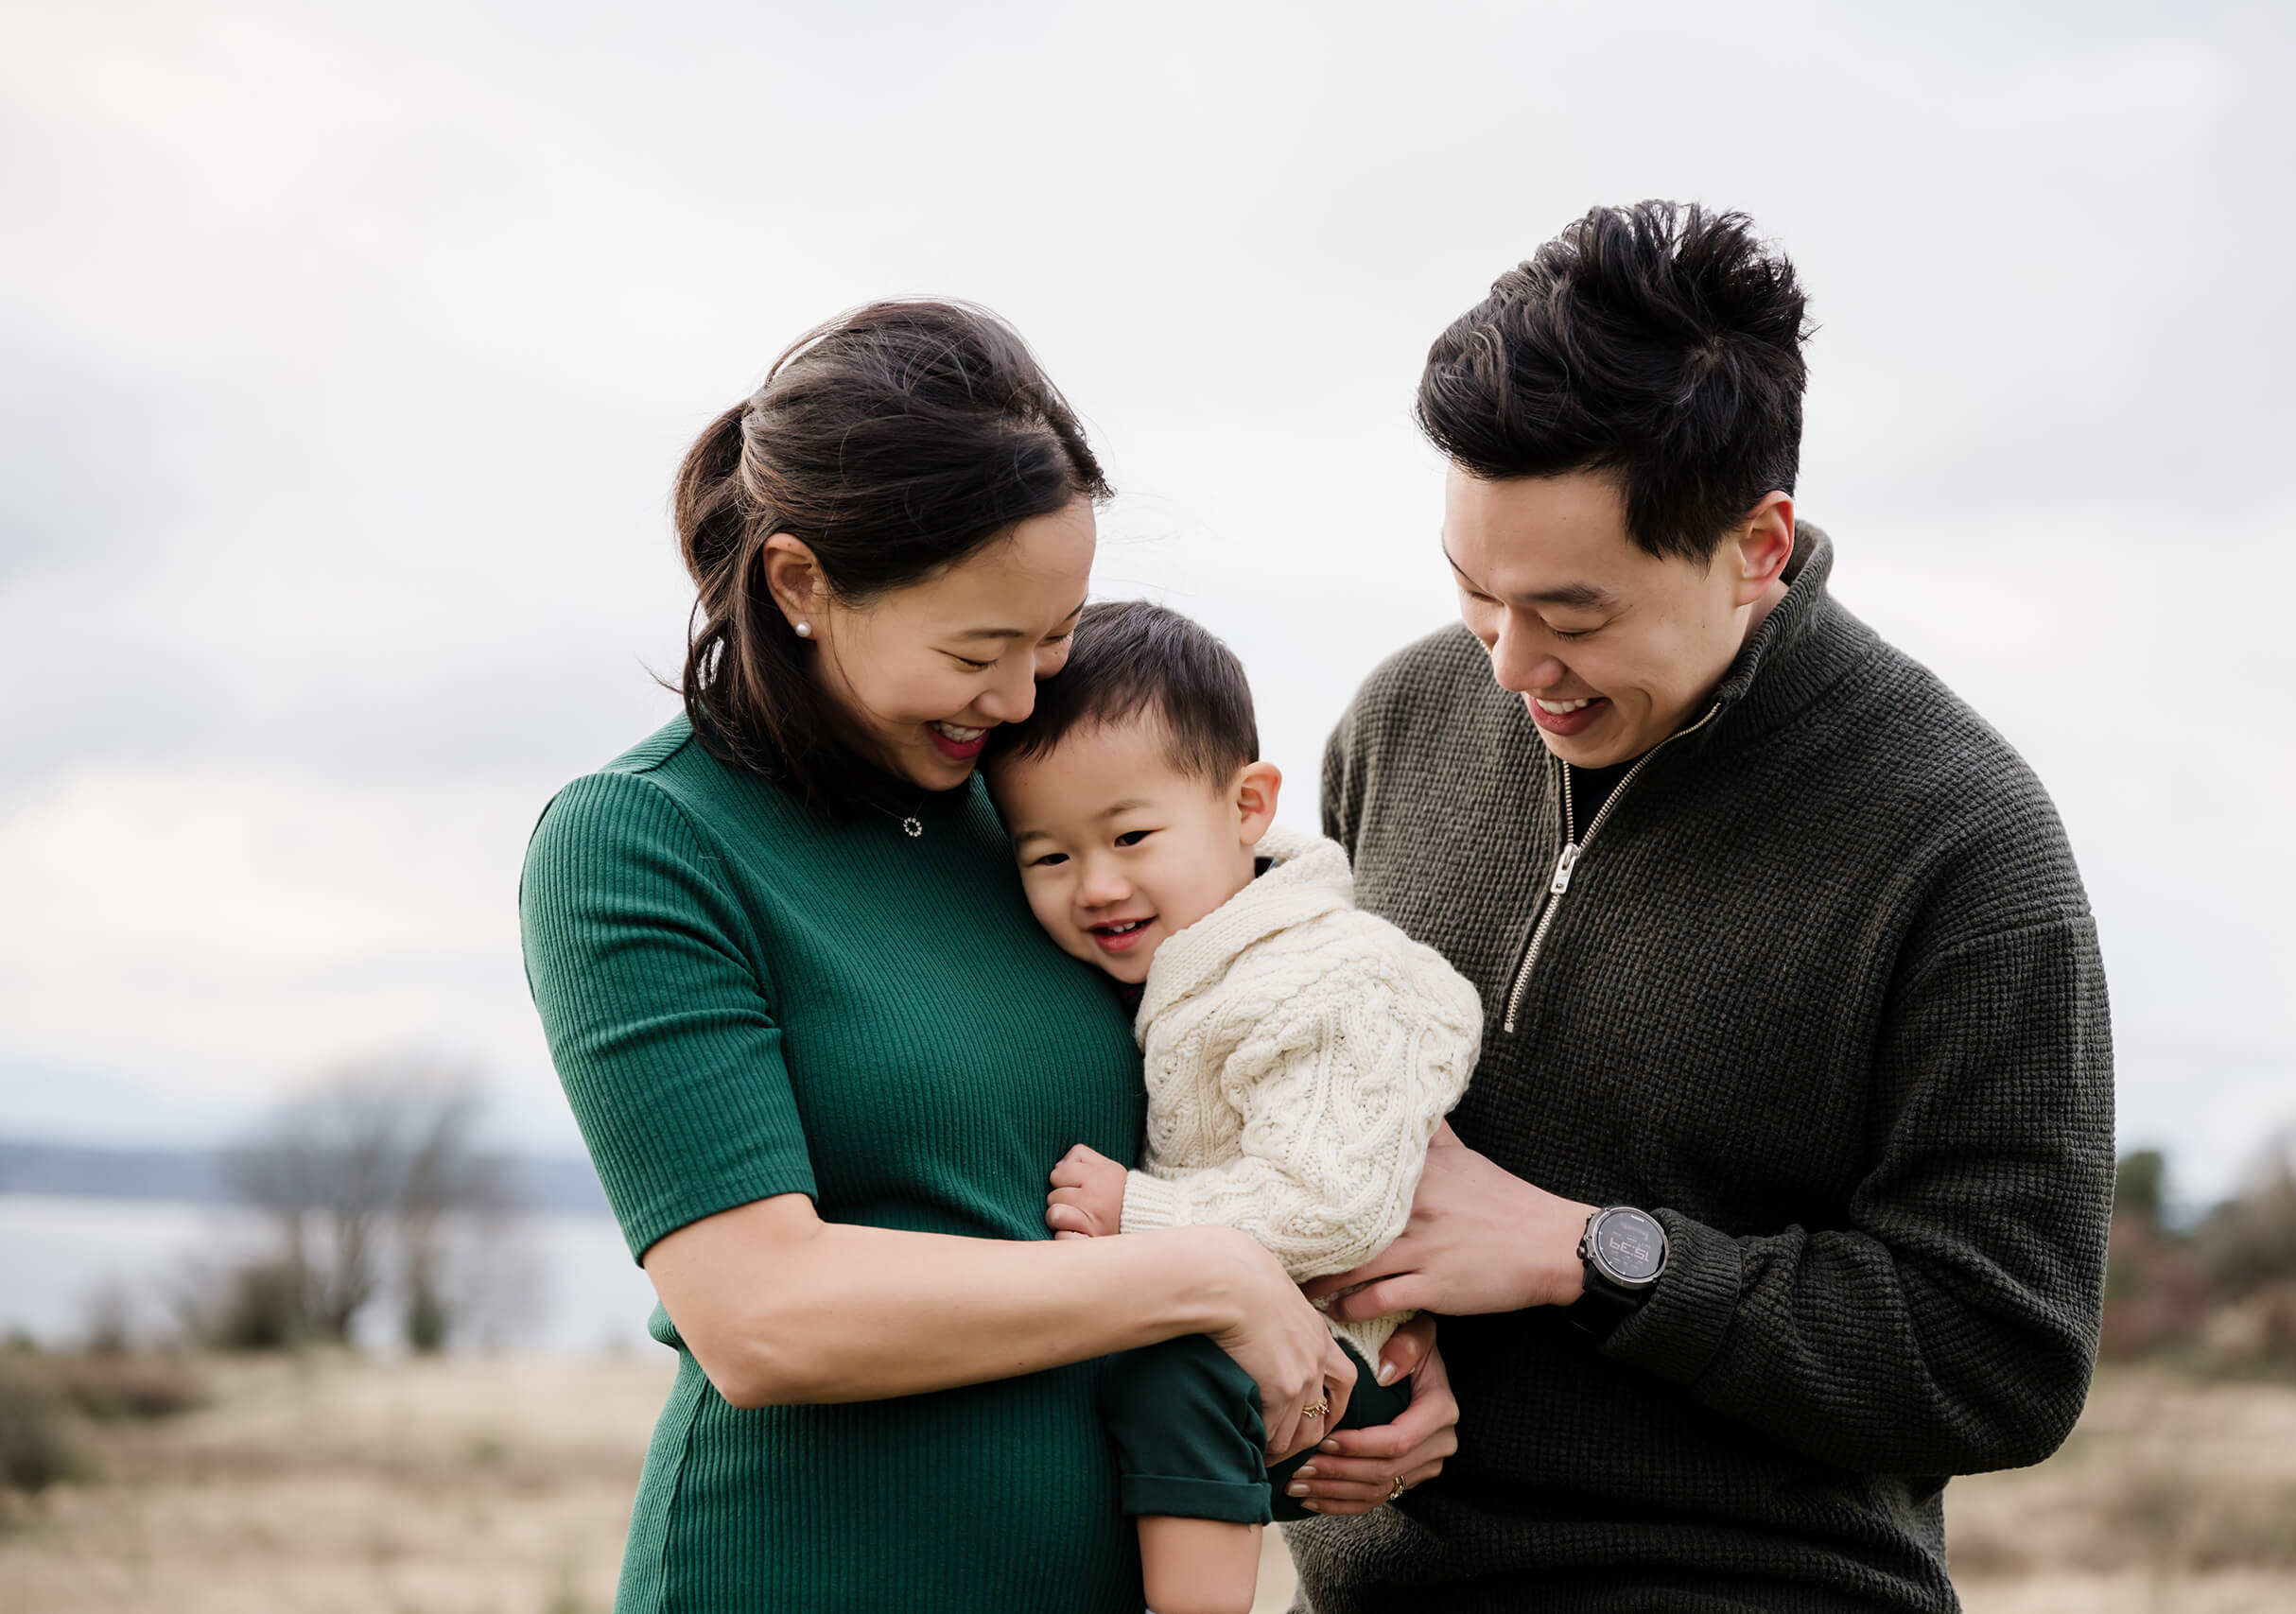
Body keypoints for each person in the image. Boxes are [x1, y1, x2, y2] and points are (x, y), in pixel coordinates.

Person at [517, 302, 1452, 1614]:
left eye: (1053, 636)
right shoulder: (645, 842)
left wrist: (1353, 1376)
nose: (1019, 700)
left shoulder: (1047, 825)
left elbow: (1245, 1100)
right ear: (800, 585)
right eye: (975, 651)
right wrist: (1201, 1273)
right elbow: (762, 1317)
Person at [1287, 202, 2115, 1612]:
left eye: (1574, 614)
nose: (1509, 666)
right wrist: (1341, 1351)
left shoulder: (1965, 843)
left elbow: (2001, 1355)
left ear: (1755, 545)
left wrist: (1594, 1257)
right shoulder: (1398, 723)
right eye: (1475, 592)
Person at [981, 599, 1483, 1614]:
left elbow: (1334, 1202)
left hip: (1338, 1359)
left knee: (1177, 1376)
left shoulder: (1327, 975)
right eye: (1049, 857)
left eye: (1131, 835)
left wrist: (1140, 1215)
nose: (1097, 884)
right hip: (1221, 1332)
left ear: (1247, 805)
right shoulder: (1172, 961)